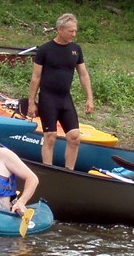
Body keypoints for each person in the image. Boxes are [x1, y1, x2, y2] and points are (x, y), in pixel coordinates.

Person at [27, 13, 95, 169]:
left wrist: (89, 98)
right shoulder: (45, 50)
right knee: (50, 137)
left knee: (74, 137)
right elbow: (36, 77)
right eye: (71, 31)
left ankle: (69, 171)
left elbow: (83, 74)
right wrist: (31, 102)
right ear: (59, 29)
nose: (74, 34)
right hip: (48, 98)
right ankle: (48, 169)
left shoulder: (76, 49)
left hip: (65, 98)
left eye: (75, 31)